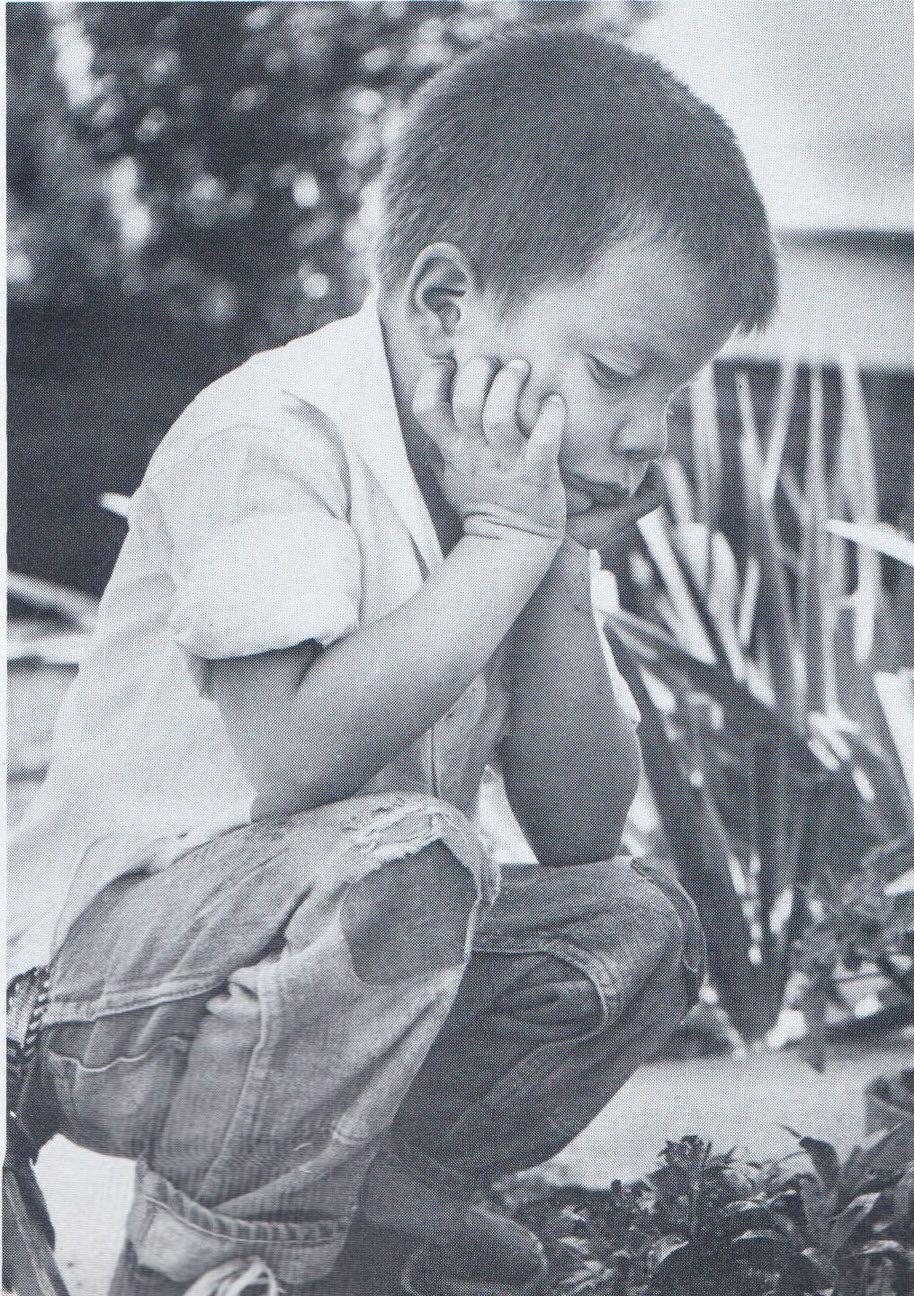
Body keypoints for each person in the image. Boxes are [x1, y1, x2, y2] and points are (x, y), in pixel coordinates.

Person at [7, 24, 777, 1296]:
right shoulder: (277, 432)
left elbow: (584, 830)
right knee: (413, 852)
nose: (645, 431)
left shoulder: (511, 504)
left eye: (673, 395)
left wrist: (554, 567)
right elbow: (302, 758)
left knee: (634, 929)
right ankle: (202, 1264)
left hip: (303, 992)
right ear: (443, 305)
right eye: (619, 371)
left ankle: (374, 1222)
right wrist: (510, 540)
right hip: (96, 1000)